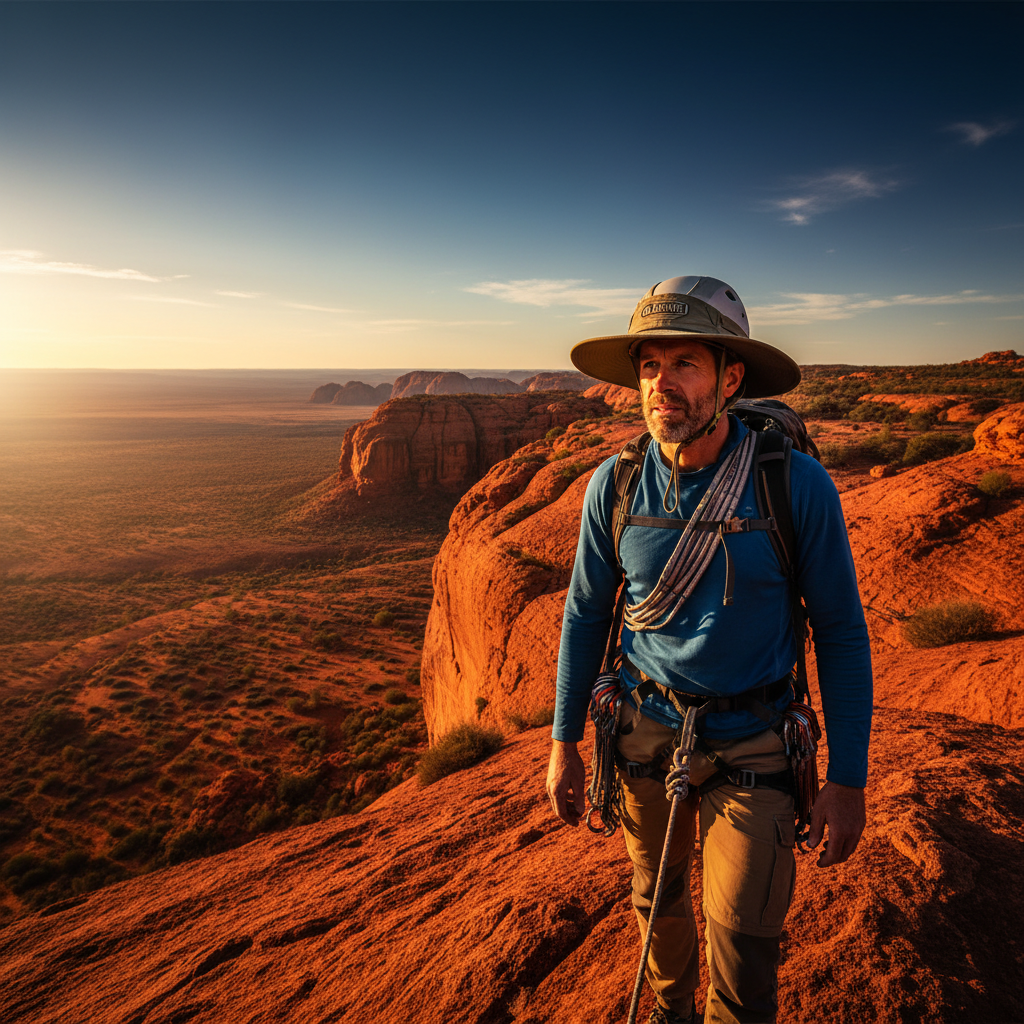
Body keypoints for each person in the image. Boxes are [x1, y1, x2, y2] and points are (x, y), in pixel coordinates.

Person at [545, 276, 872, 1024]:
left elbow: (841, 632)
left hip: (755, 739)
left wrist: (847, 778)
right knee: (656, 904)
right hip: (642, 730)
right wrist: (563, 742)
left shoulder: (794, 485)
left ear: (730, 379)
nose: (661, 384)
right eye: (649, 366)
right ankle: (670, 1012)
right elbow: (586, 615)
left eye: (685, 363)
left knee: (743, 941)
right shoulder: (616, 485)